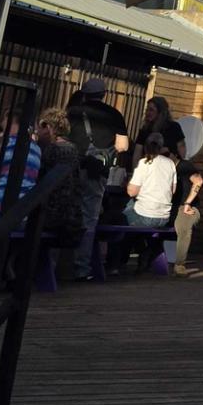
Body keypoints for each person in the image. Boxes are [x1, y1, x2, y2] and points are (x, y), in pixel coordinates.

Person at [65, 77, 129, 282]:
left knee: (65, 211)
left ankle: (57, 262)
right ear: (104, 94)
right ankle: (81, 268)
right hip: (97, 172)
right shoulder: (114, 114)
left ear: (83, 92)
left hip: (71, 168)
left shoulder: (72, 112)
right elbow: (123, 146)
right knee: (89, 218)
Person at [32, 108, 84, 257]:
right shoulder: (72, 149)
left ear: (46, 126)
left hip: (52, 216)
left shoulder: (50, 150)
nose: (36, 131)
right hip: (72, 217)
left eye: (38, 127)